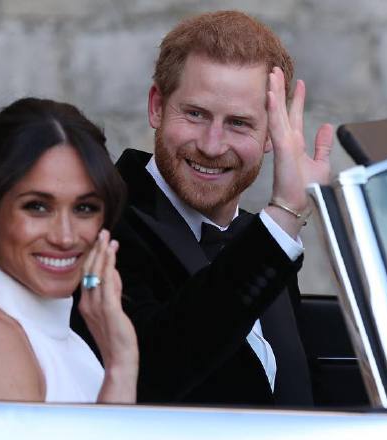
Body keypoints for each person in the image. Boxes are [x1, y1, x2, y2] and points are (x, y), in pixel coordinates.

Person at [71, 11, 333, 406]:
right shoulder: (100, 222)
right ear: (157, 106)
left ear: (270, 136)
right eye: (195, 114)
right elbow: (150, 378)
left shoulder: (257, 237)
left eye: (239, 123)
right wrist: (283, 217)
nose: (212, 145)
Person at [0, 98, 138, 403]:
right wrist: (121, 367)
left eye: (84, 208)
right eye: (38, 207)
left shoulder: (61, 337)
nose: (65, 237)